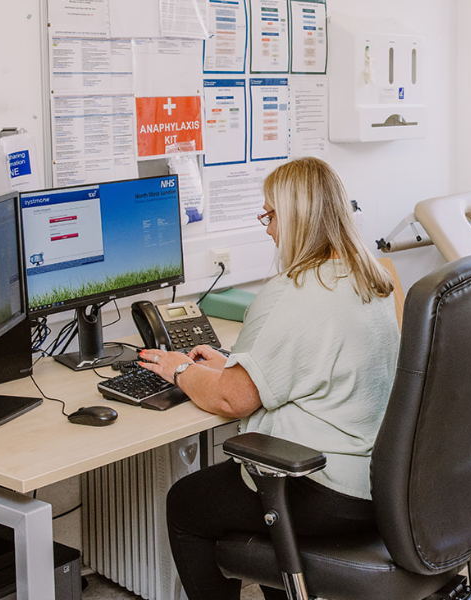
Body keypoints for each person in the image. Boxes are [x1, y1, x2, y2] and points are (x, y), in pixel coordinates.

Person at [140, 157, 399, 600]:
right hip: (384, 480)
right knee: (244, 510)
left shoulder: (292, 292)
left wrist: (179, 369)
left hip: (323, 486)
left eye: (271, 215)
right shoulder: (374, 276)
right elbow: (320, 363)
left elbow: (231, 401)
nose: (267, 228)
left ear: (298, 219)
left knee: (186, 504)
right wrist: (233, 363)